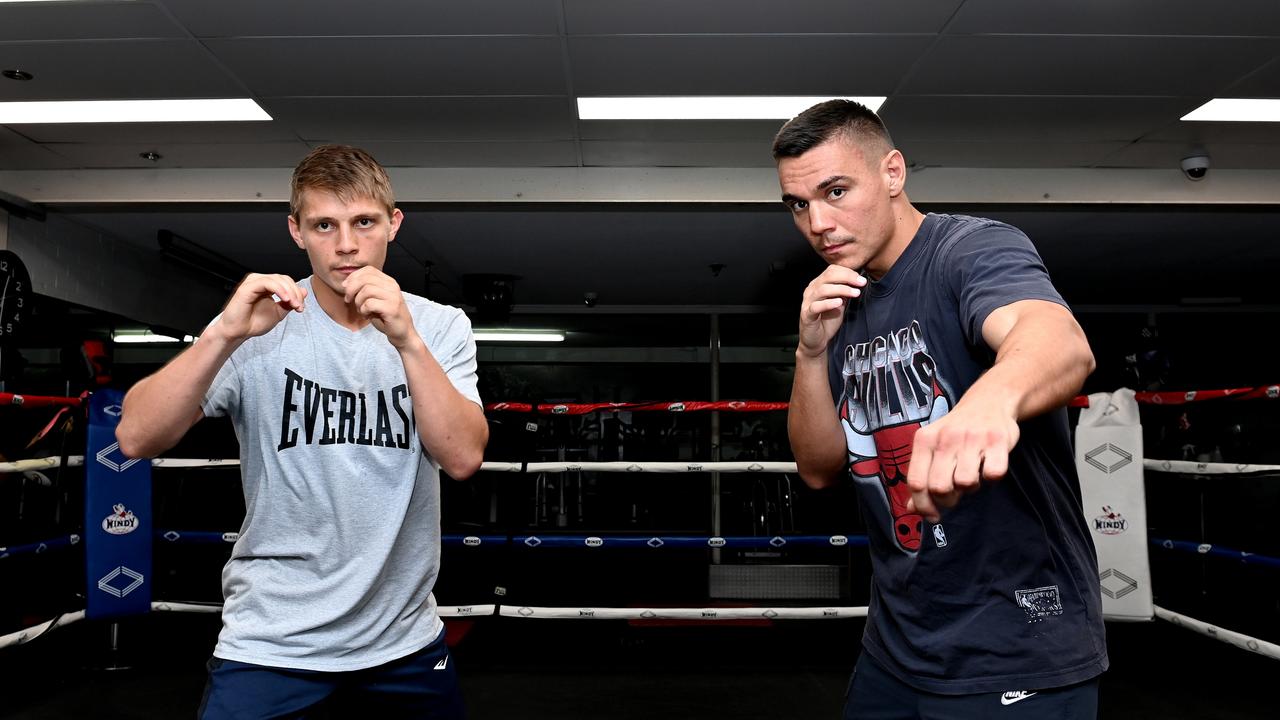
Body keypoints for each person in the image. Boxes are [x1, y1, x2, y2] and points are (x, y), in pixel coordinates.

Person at [116, 144, 488, 719]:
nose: (346, 244)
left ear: (393, 223)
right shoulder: (262, 322)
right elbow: (136, 437)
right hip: (271, 642)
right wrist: (222, 336)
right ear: (297, 231)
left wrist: (407, 341)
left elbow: (462, 457)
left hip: (403, 644)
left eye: (363, 221)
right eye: (324, 225)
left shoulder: (439, 327)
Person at [775, 100, 1106, 718]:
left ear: (893, 173)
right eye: (799, 204)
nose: (819, 222)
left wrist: (987, 402)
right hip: (896, 646)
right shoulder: (840, 303)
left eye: (836, 190)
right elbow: (819, 467)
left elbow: (1058, 340)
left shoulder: (968, 251)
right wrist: (811, 352)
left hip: (1016, 642)